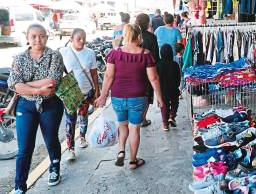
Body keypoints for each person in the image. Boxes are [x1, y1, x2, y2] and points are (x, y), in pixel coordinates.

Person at [95, 24, 164, 170]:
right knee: (134, 129)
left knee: (123, 125)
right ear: (139, 36)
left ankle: (121, 151)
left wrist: (103, 96)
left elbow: (108, 76)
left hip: (118, 97)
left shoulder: (115, 54)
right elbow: (154, 79)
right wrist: (159, 98)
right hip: (138, 97)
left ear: (125, 36)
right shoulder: (145, 54)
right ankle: (133, 161)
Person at [8, 24, 65, 192]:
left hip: (50, 104)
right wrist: (38, 90)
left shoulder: (54, 56)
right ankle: (20, 185)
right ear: (27, 37)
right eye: (33, 36)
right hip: (26, 106)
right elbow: (13, 84)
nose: (37, 39)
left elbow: (52, 82)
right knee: (24, 148)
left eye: (41, 36)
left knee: (51, 140)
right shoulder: (19, 58)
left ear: (47, 37)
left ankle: (54, 166)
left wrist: (23, 85)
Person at [59, 28, 100, 161]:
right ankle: (70, 148)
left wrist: (97, 90)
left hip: (86, 92)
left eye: (84, 38)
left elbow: (94, 73)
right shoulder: (63, 52)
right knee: (70, 121)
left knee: (83, 116)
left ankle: (82, 136)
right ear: (71, 39)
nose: (82, 41)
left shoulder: (90, 53)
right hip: (71, 94)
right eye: (78, 39)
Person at [135, 13, 160, 127]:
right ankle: (143, 119)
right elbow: (155, 57)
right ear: (148, 23)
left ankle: (137, 118)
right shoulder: (152, 37)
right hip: (149, 70)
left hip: (135, 70)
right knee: (147, 94)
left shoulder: (133, 37)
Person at [157, 44, 181, 130]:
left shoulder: (158, 65)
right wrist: (177, 86)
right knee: (175, 103)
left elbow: (156, 79)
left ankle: (165, 125)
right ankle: (172, 116)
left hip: (162, 91)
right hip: (173, 89)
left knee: (163, 106)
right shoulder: (175, 64)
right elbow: (178, 78)